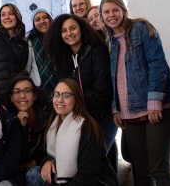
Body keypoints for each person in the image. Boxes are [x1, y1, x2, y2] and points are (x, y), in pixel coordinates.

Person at [100, 0, 170, 186]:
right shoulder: (110, 42)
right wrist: (115, 108)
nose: (111, 15)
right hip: (129, 112)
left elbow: (157, 65)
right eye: (106, 12)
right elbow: (113, 78)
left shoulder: (141, 29)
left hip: (155, 107)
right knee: (140, 169)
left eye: (115, 10)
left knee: (159, 168)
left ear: (123, 11)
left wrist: (154, 101)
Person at [44, 14, 117, 152]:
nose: (69, 33)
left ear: (81, 29)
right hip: (78, 115)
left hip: (101, 114)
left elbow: (103, 89)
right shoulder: (62, 58)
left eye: (73, 28)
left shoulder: (96, 51)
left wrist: (89, 118)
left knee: (97, 155)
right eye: (64, 30)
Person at [25, 79, 118, 186]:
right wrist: (47, 160)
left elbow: (88, 175)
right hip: (65, 182)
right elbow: (43, 153)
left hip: (93, 183)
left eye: (66, 95)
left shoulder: (86, 126)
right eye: (56, 94)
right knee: (33, 174)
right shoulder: (53, 125)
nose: (59, 100)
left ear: (77, 98)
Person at [1, 71, 51, 185]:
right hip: (14, 172)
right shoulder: (5, 120)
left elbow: (52, 150)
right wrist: (20, 128)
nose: (22, 96)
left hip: (39, 171)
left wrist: (41, 161)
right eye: (17, 92)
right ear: (11, 97)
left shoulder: (47, 118)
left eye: (27, 91)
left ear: (35, 95)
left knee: (34, 175)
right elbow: (14, 158)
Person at [0, 3, 29, 92]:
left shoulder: (23, 44)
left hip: (17, 93)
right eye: (3, 14)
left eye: (11, 14)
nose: (7, 17)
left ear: (17, 17)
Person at [26, 8, 56, 94]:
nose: (42, 21)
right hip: (37, 86)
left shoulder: (59, 38)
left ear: (50, 19)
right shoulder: (29, 40)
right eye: (37, 19)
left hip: (59, 83)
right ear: (34, 24)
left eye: (45, 17)